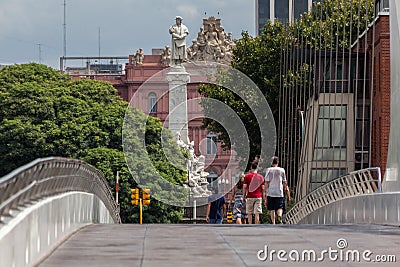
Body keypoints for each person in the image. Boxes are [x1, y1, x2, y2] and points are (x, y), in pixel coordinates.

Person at [264, 156, 288, 224]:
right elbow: (284, 181)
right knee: (279, 207)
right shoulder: (282, 170)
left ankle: (273, 222)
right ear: (278, 162)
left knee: (272, 208)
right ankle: (279, 216)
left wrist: (265, 191)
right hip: (279, 192)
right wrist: (285, 188)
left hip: (271, 192)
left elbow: (267, 182)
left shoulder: (269, 170)